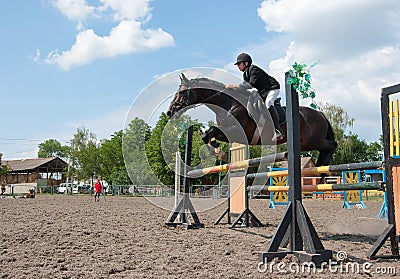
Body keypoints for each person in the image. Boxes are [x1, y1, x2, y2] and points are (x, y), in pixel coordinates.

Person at [226, 52, 284, 141]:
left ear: (246, 63)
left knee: (268, 103)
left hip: (272, 88)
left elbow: (250, 85)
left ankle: (278, 130)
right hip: (263, 91)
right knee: (250, 106)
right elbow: (244, 89)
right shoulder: (245, 74)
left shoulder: (254, 69)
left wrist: (233, 86)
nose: (238, 66)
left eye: (239, 64)